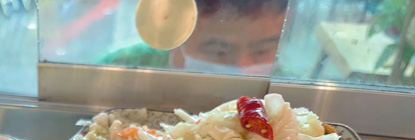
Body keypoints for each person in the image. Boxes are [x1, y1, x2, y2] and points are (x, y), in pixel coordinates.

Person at [98, 0, 289, 75]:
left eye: (262, 50)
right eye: (219, 51)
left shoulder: (289, 85)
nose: (242, 64)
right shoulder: (121, 67)